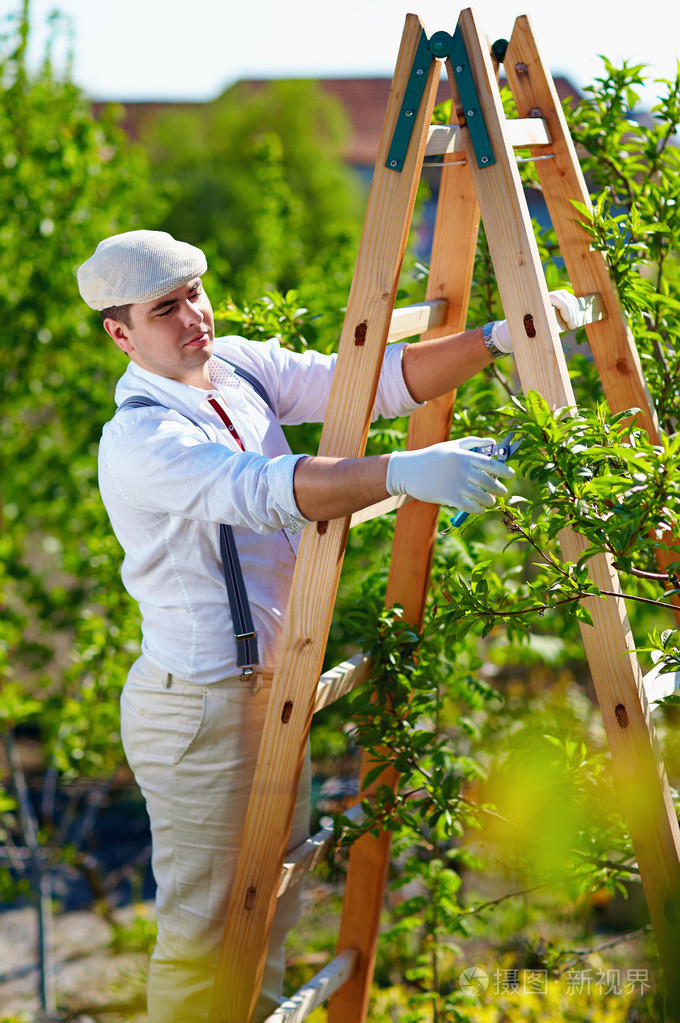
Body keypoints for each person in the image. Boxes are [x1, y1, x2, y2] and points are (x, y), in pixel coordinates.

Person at [77, 229, 580, 1023]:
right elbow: (263, 487)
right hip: (199, 708)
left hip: (274, 689)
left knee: (266, 914)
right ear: (121, 333)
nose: (193, 316)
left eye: (196, 294)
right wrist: (401, 471)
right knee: (205, 931)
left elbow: (374, 380)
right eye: (165, 308)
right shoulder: (139, 438)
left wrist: (494, 339)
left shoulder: (237, 365)